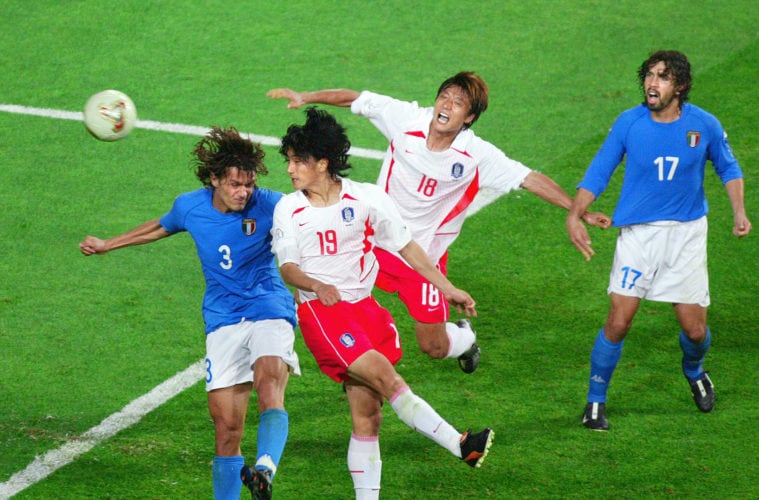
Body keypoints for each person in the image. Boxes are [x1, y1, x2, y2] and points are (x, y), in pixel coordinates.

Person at [268, 73, 610, 374]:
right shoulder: (406, 119)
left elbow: (529, 179)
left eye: (458, 102)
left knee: (433, 347)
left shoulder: (476, 155)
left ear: (469, 117)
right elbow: (356, 99)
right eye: (444, 96)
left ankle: (463, 339)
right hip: (372, 244)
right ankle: (357, 370)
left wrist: (576, 209)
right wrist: (306, 97)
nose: (446, 105)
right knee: (335, 299)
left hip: (422, 259)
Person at [271, 107, 494, 499]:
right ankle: (462, 445)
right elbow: (288, 268)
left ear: (322, 163)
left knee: (368, 418)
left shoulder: (368, 198)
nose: (290, 169)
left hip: (364, 309)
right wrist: (316, 284)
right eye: (288, 161)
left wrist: (447, 287)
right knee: (391, 382)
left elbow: (408, 246)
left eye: (298, 161)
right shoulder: (289, 209)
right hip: (322, 314)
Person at [79, 127, 300, 499]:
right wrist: (107, 245)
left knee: (269, 384)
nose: (242, 192)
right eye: (233, 184)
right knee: (227, 430)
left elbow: (310, 212)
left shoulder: (272, 204)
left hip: (269, 308)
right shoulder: (190, 207)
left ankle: (264, 469)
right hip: (222, 319)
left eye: (247, 184)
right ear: (213, 179)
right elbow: (158, 227)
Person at [566, 50, 752, 431]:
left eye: (663, 77)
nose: (653, 83)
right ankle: (595, 401)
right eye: (649, 75)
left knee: (695, 330)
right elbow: (600, 169)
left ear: (680, 86)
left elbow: (728, 167)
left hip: (686, 237)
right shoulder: (629, 123)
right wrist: (576, 212)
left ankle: (694, 369)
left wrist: (739, 211)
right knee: (619, 321)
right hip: (639, 236)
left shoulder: (705, 125)